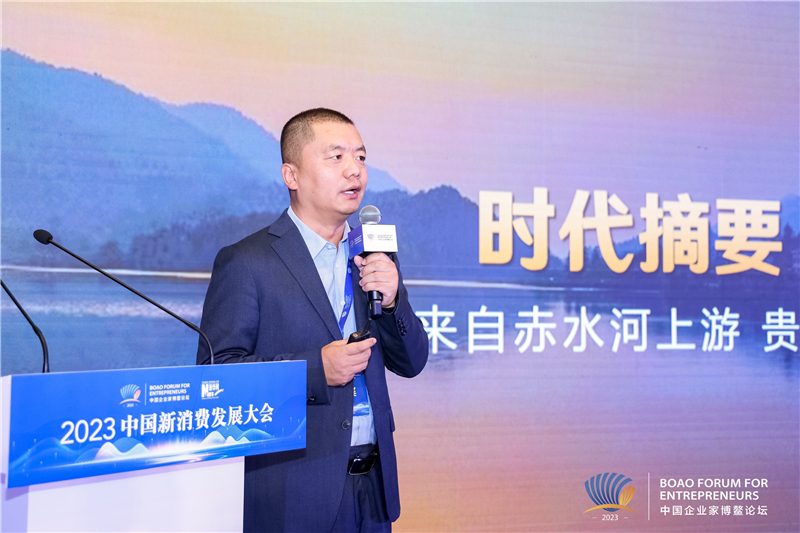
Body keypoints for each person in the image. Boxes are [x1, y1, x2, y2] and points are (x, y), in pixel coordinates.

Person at [197, 108, 429, 533]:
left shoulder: (372, 255)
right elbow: (217, 378)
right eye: (336, 157)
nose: (354, 170)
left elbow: (411, 361)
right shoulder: (248, 261)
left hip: (373, 494)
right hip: (292, 495)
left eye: (360, 157)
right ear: (292, 175)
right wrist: (315, 371)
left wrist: (394, 301)